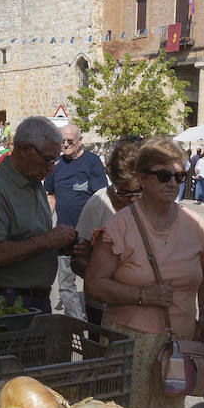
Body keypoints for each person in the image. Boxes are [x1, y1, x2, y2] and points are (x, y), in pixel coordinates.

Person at [84, 137, 204, 408]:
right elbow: (94, 285)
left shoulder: (195, 225)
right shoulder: (120, 226)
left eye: (180, 176)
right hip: (130, 342)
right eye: (164, 175)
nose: (173, 183)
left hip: (179, 344)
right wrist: (141, 295)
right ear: (142, 178)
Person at [0, 116, 77, 315]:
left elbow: (31, 236)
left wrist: (67, 244)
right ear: (25, 149)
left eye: (54, 160)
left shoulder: (33, 181)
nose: (52, 167)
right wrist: (49, 240)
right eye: (47, 159)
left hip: (34, 300)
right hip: (9, 304)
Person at [73, 137, 143, 325]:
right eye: (124, 193)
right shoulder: (98, 202)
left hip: (144, 310)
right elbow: (77, 261)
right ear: (112, 181)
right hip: (103, 308)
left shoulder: (155, 202)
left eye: (138, 191)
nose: (133, 198)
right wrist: (104, 280)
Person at [44, 123, 107, 320]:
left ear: (80, 141)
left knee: (94, 279)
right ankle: (77, 324)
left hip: (90, 235)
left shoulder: (92, 161)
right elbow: (50, 195)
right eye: (62, 141)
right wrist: (45, 223)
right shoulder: (56, 165)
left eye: (70, 141)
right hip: (64, 234)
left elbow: (101, 196)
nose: (65, 144)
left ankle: (97, 320)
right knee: (65, 284)